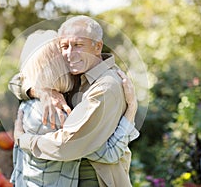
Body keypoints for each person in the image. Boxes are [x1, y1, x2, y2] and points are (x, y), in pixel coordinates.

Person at [10, 15, 138, 186]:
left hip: (96, 180)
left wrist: (22, 139)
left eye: (78, 45)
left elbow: (69, 145)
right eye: (64, 46)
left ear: (97, 46)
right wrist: (42, 91)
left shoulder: (103, 88)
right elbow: (18, 80)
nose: (69, 54)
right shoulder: (77, 73)